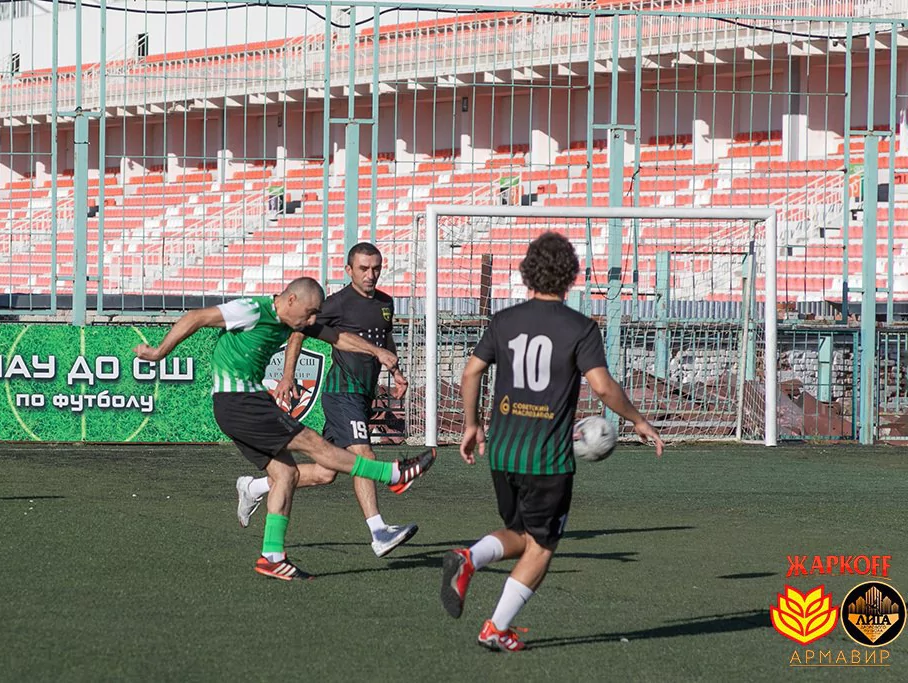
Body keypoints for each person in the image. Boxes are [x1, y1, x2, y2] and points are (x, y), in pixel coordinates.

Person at [439, 232, 665, 651]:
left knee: (522, 534)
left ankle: (470, 559)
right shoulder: (580, 328)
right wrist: (636, 420)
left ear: (528, 271)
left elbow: (470, 373)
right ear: (571, 276)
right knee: (543, 547)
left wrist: (471, 425)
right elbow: (601, 386)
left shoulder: (503, 320)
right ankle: (495, 625)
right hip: (547, 460)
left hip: (504, 452)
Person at [133, 277, 436, 582]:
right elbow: (196, 317)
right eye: (309, 312)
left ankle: (272, 557)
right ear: (290, 300)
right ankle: (393, 475)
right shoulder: (251, 310)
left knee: (286, 475)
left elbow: (337, 337)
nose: (312, 320)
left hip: (240, 405)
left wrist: (377, 352)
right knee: (314, 444)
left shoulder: (294, 320)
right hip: (240, 401)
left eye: (315, 314)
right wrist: (159, 353)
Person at [236, 243, 418, 558]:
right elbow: (298, 333)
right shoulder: (336, 304)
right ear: (349, 270)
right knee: (364, 454)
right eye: (363, 268)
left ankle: (254, 487)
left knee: (326, 473)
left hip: (362, 394)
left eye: (375, 268)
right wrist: (287, 376)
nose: (370, 274)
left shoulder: (386, 302)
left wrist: (397, 373)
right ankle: (379, 532)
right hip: (341, 392)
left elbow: (384, 339)